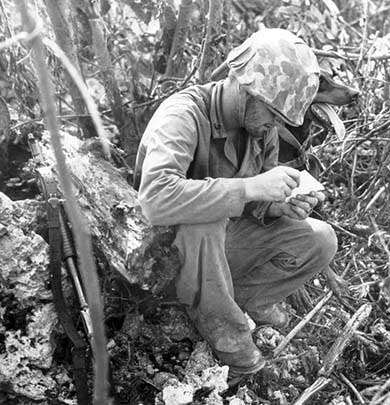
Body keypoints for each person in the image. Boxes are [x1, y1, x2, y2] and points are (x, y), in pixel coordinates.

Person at [134, 28, 338, 377]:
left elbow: (252, 203)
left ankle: (241, 300)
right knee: (207, 218)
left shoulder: (261, 130)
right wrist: (250, 188)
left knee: (320, 238)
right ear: (246, 87)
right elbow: (155, 199)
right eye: (273, 114)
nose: (275, 125)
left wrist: (277, 206)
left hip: (216, 255)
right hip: (164, 260)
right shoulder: (182, 115)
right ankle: (228, 336)